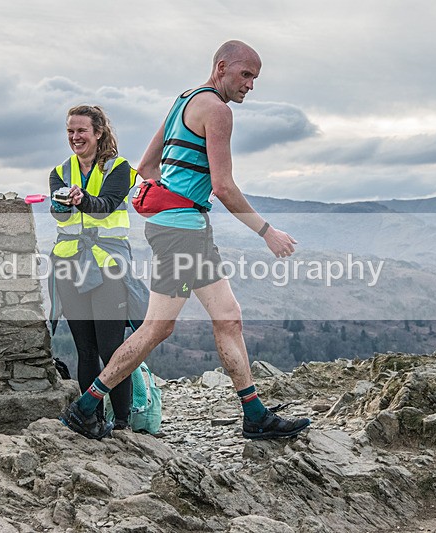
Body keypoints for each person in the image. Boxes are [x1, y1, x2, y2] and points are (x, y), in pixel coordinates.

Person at [60, 40, 311, 440]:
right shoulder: (218, 110)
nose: (250, 85)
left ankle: (255, 414)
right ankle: (86, 406)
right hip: (182, 233)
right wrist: (268, 232)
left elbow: (145, 166)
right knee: (157, 329)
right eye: (245, 75)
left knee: (228, 317)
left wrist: (172, 196)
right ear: (222, 67)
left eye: (255, 79)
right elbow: (224, 187)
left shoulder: (183, 100)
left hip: (187, 228)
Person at [49, 105, 147, 432]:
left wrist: (82, 200)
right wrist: (60, 205)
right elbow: (61, 217)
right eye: (70, 131)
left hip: (107, 263)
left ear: (98, 132)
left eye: (82, 131)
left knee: (112, 348)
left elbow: (105, 207)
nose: (75, 137)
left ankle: (122, 423)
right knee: (86, 350)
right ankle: (92, 420)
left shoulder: (119, 168)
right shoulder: (60, 171)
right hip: (68, 262)